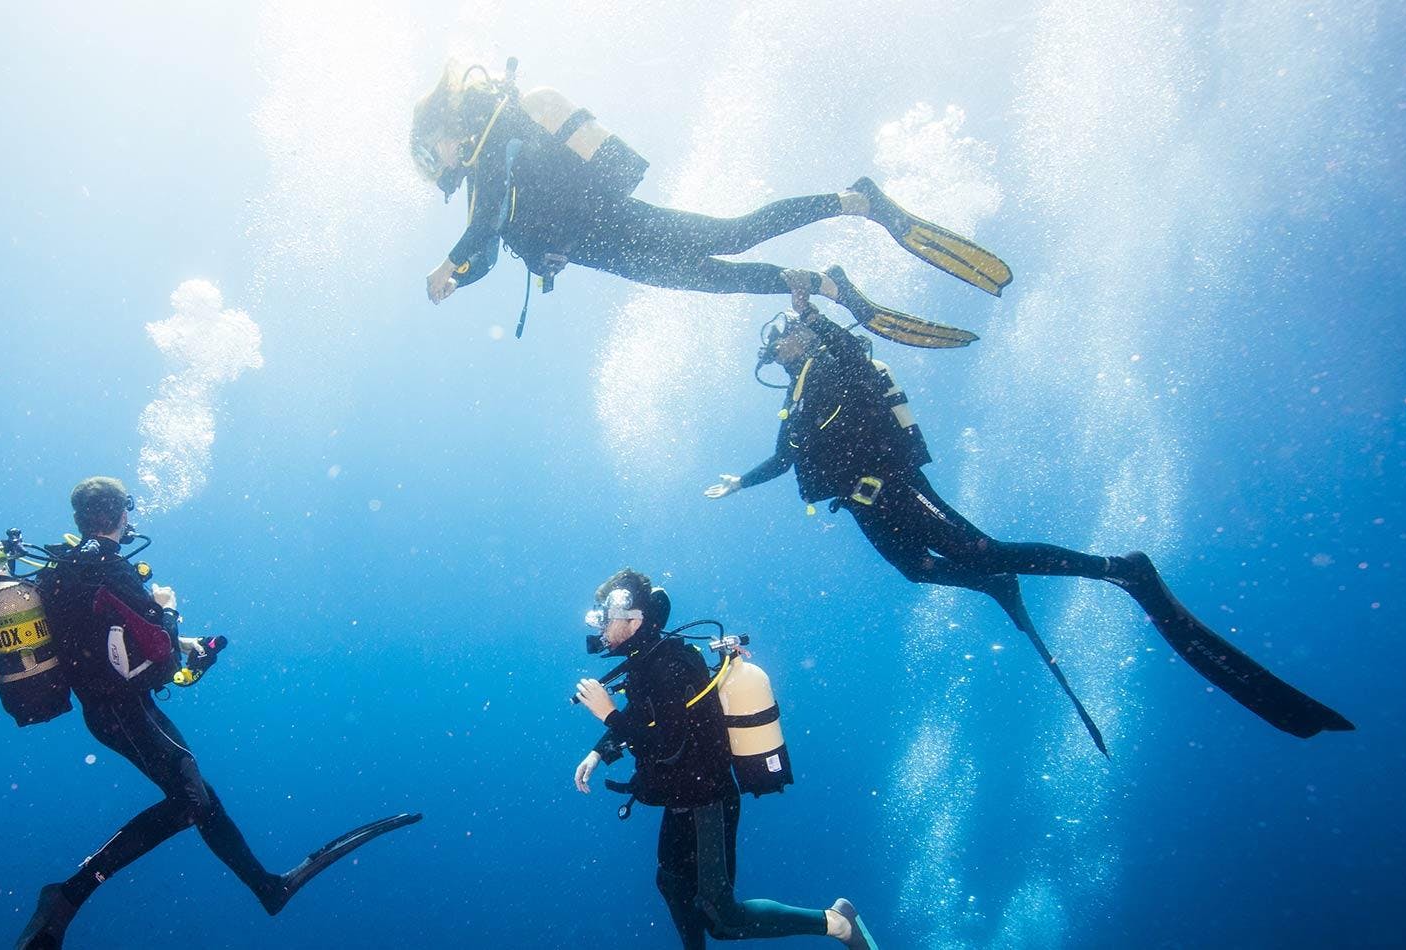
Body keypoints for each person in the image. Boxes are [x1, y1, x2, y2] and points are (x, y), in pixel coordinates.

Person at [703, 311, 1356, 747]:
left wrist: (814, 308)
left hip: (895, 485)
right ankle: (995, 585)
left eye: (785, 334)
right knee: (918, 571)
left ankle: (1123, 569)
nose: (778, 345)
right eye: (778, 339)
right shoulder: (797, 395)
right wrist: (740, 482)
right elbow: (786, 457)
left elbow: (850, 343)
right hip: (865, 505)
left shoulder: (839, 359)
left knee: (984, 550)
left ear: (804, 335)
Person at [13, 477, 421, 949]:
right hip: (123, 710)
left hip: (108, 708)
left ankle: (267, 887)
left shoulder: (63, 567)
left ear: (81, 517)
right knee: (190, 800)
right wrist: (169, 610)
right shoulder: (109, 566)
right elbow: (159, 655)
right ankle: (66, 897)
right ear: (121, 513)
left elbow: (99, 634)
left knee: (201, 797)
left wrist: (181, 641)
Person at [409, 58, 1005, 348]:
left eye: (430, 152)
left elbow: (484, 226)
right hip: (606, 251)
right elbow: (486, 249)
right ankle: (827, 284)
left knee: (732, 236)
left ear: (445, 127)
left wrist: (445, 265)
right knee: (721, 280)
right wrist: (458, 278)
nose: (437, 166)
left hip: (612, 224)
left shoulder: (499, 132)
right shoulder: (483, 176)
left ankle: (859, 201)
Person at [571, 569, 879, 950]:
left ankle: (838, 923)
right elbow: (641, 717)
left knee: (723, 917)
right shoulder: (646, 662)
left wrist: (608, 714)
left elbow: (668, 745)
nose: (600, 625)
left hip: (707, 799)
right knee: (671, 881)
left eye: (606, 616)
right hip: (682, 795)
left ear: (634, 620)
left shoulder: (669, 665)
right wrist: (599, 751)